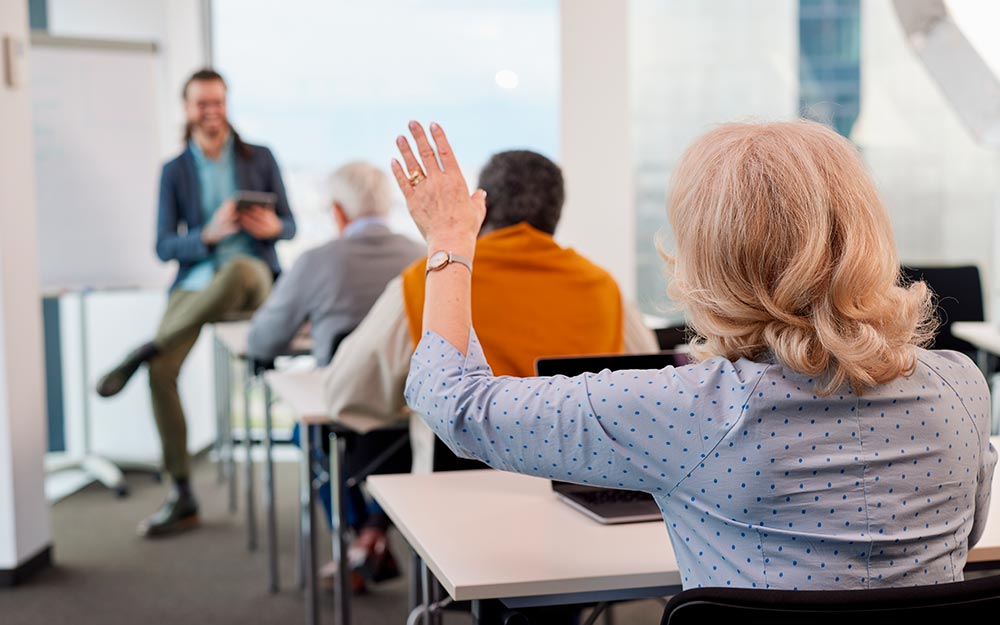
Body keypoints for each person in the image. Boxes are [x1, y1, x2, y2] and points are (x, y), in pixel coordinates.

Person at [398, 119, 997, 590]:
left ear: (708, 257)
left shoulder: (683, 408)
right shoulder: (963, 387)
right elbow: (963, 542)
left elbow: (456, 403)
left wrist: (451, 241)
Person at [321, 148, 657, 591]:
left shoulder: (433, 279)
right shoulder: (602, 287)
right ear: (556, 214)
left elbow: (344, 395)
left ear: (483, 207)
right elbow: (647, 389)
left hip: (456, 525)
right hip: (585, 513)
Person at [96, 69, 296, 538]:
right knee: (161, 372)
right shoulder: (174, 171)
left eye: (218, 102)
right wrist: (206, 236)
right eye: (202, 103)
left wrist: (273, 229)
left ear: (227, 105)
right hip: (196, 285)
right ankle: (181, 493)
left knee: (242, 269)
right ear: (186, 109)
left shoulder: (259, 157)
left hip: (251, 283)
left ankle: (146, 344)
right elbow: (164, 246)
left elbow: (290, 224)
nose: (211, 111)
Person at [246, 161, 423, 366]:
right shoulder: (423, 257)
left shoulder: (315, 262)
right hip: (412, 391)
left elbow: (261, 342)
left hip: (343, 390)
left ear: (338, 211)